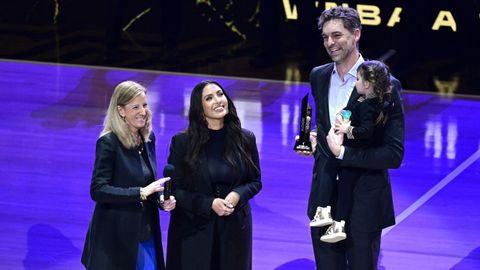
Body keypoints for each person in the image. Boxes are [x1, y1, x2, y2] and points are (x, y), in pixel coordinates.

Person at [296, 6, 405, 270]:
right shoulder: (319, 76)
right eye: (325, 37)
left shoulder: (386, 85)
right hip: (324, 196)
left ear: (356, 34)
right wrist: (315, 139)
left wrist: (344, 153)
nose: (330, 43)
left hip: (363, 198)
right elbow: (325, 127)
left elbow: (393, 154)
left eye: (337, 35)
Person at [165, 80, 262, 270]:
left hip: (234, 230)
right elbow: (175, 190)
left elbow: (255, 181)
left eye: (220, 94)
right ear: (199, 109)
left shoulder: (245, 138)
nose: (218, 100)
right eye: (209, 98)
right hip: (194, 230)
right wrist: (209, 204)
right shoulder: (182, 142)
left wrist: (238, 195)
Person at [81, 81, 176, 270]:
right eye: (135, 107)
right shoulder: (108, 142)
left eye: (145, 105)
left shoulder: (148, 139)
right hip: (116, 235)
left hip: (146, 231)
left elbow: (147, 183)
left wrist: (160, 200)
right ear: (121, 111)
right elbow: (98, 190)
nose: (143, 111)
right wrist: (140, 192)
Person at [309, 60, 394, 244]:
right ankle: (330, 216)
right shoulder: (363, 100)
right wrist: (341, 115)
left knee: (339, 180)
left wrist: (348, 130)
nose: (354, 82)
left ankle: (331, 217)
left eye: (357, 79)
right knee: (335, 178)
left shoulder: (370, 106)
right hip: (348, 154)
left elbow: (366, 131)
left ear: (366, 84)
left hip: (355, 155)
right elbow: (350, 109)